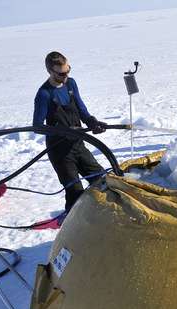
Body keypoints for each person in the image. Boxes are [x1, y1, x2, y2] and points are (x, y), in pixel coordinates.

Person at [33, 51, 108, 213]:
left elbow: (82, 110)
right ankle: (72, 224)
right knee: (75, 192)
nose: (65, 76)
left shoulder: (71, 84)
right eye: (61, 74)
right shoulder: (44, 94)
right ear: (50, 71)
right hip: (60, 152)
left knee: (103, 182)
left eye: (68, 71)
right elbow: (37, 127)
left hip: (78, 145)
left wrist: (92, 122)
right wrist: (63, 131)